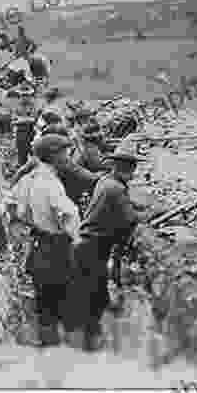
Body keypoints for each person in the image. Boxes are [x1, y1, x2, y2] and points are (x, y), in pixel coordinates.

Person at [66, 150, 158, 351]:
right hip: (92, 249)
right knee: (93, 300)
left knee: (94, 296)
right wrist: (152, 212)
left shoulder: (105, 182)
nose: (133, 175)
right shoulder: (116, 188)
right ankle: (91, 348)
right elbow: (130, 217)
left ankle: (93, 340)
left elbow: (121, 208)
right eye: (131, 171)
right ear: (125, 170)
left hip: (85, 246)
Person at [11, 134, 83, 346]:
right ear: (55, 156)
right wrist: (80, 243)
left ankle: (46, 352)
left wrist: (32, 221)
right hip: (57, 251)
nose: (68, 157)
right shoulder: (51, 184)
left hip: (38, 248)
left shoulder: (29, 179)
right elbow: (68, 216)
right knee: (65, 306)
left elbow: (12, 207)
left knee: (44, 305)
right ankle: (63, 356)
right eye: (65, 153)